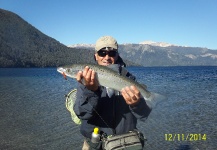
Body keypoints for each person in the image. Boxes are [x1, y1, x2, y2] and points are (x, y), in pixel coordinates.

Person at [73, 36, 152, 150]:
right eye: (102, 53)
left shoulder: (129, 80)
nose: (107, 57)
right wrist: (91, 91)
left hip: (125, 144)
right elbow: (82, 113)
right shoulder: (85, 81)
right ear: (96, 55)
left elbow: (144, 114)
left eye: (112, 53)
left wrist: (136, 104)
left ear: (117, 55)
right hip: (95, 145)